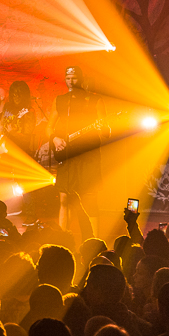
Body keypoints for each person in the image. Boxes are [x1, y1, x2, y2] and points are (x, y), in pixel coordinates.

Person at [47, 66, 108, 238]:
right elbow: (49, 127)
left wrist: (103, 129)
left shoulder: (94, 100)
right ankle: (63, 237)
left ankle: (95, 240)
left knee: (90, 199)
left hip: (88, 156)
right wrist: (54, 139)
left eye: (74, 78)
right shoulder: (60, 100)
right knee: (64, 198)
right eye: (68, 78)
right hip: (67, 156)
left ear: (80, 79)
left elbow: (106, 130)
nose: (71, 82)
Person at [0, 81, 36, 160]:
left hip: (21, 152)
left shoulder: (29, 112)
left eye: (19, 94)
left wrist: (14, 133)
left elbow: (27, 138)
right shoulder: (8, 107)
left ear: (24, 95)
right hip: (6, 150)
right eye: (14, 94)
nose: (16, 97)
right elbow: (1, 125)